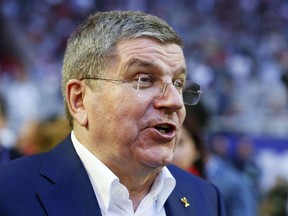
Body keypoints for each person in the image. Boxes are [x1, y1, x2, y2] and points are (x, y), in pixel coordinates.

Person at [0, 11, 226, 216]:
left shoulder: (205, 199)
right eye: (144, 80)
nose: (174, 101)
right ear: (79, 100)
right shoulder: (8, 192)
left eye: (178, 83)